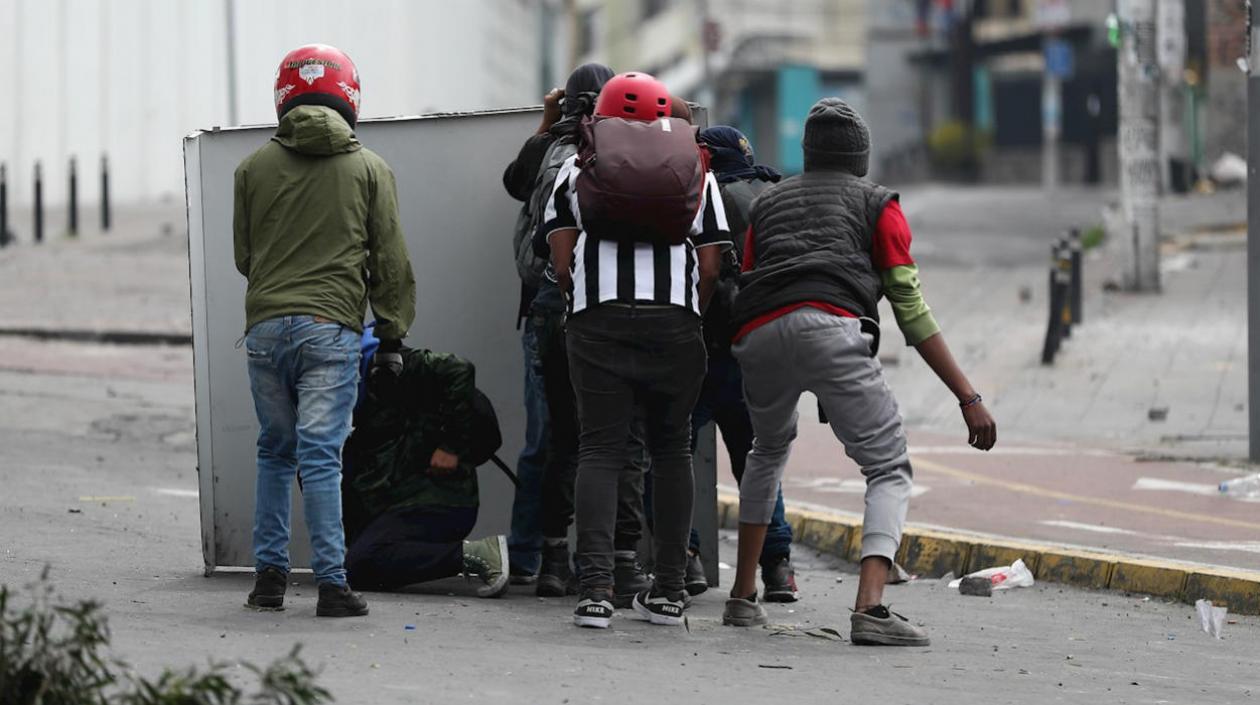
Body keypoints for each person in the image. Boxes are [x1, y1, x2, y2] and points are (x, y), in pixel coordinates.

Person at [721, 98, 996, 645]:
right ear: (861, 157)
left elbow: (751, 274)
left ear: (808, 153)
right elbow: (911, 312)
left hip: (756, 335)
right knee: (889, 465)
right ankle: (870, 609)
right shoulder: (879, 205)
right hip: (829, 327)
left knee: (767, 451)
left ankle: (742, 597)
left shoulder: (768, 203)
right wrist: (967, 396)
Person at [539, 72, 730, 629]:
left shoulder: (577, 167)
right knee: (671, 451)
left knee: (600, 450)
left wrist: (585, 300)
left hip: (597, 322)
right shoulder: (696, 166)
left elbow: (558, 260)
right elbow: (713, 263)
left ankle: (596, 591)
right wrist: (688, 306)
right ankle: (669, 591)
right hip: (674, 325)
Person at [234, 44, 415, 618]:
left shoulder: (252, 167)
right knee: (321, 457)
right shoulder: (369, 168)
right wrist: (390, 336)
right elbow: (390, 261)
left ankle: (269, 580)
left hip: (265, 329)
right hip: (329, 329)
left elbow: (245, 256)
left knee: (274, 452)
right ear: (350, 94)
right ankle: (333, 585)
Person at [504, 63, 651, 602]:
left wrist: (547, 125)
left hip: (547, 305)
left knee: (552, 440)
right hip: (610, 304)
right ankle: (621, 562)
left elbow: (514, 184)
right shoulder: (624, 151)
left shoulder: (550, 154)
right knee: (621, 438)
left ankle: (540, 559)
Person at [683, 125, 797, 602]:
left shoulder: (700, 193)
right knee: (759, 461)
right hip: (764, 348)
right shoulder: (775, 193)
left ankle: (683, 558)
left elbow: (702, 268)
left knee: (672, 454)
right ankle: (777, 567)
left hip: (705, 348)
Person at [341, 325, 508, 598]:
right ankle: (373, 548)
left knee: (362, 565)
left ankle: (478, 555)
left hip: (434, 498)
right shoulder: (347, 382)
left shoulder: (386, 364)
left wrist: (450, 447)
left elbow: (459, 369)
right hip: (396, 499)